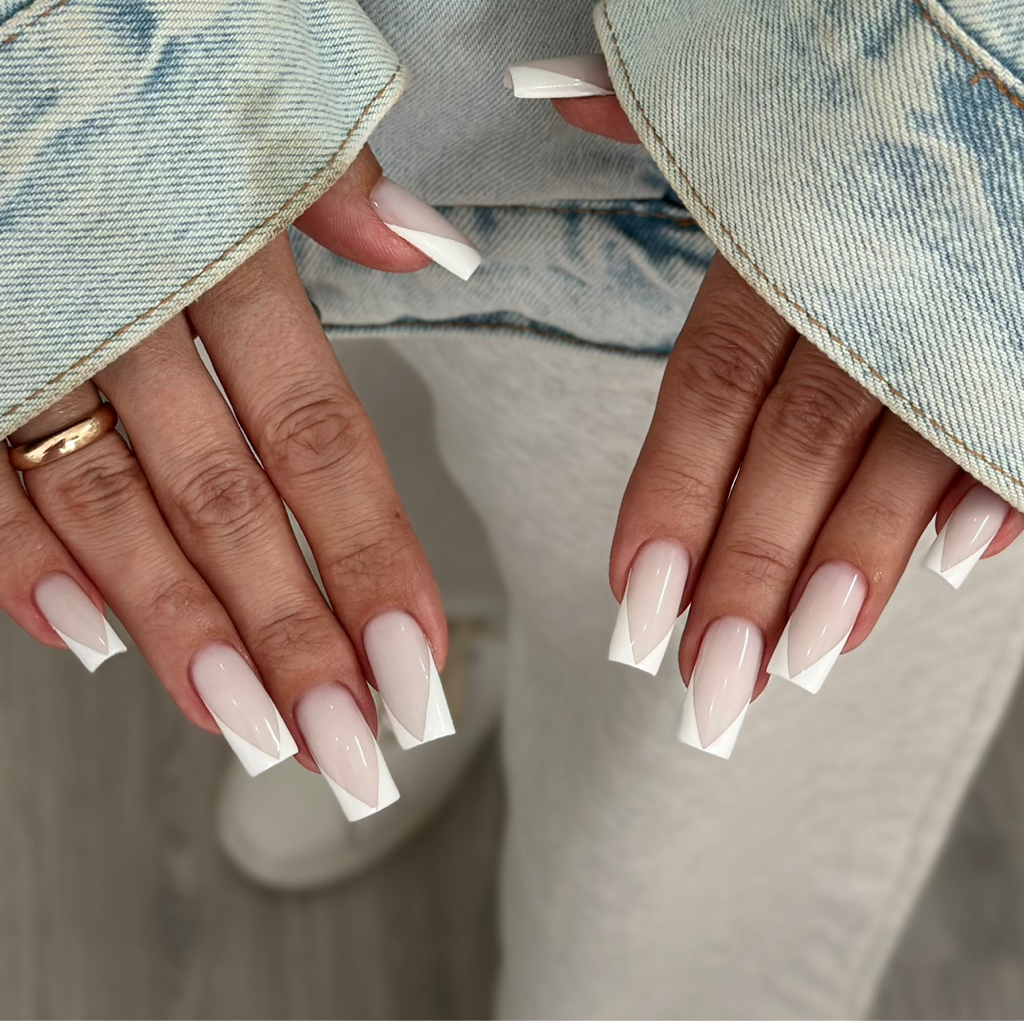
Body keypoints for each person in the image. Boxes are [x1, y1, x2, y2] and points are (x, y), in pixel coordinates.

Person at [3, 1, 1024, 1016]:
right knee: (358, 476)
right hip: (246, 121)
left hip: (787, 166)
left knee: (688, 790)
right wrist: (48, 78)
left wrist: (977, 111)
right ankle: (431, 670)